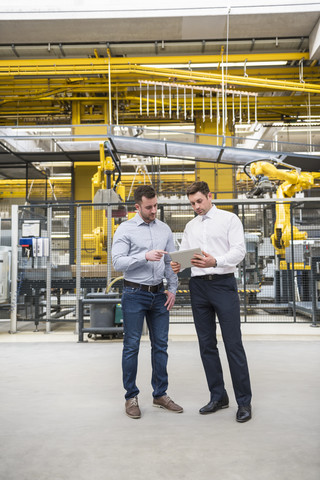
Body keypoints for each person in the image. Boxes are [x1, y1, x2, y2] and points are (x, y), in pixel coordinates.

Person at [171, 181, 252, 423]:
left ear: (209, 196)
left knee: (233, 344)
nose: (196, 206)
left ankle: (244, 402)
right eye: (192, 203)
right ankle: (218, 396)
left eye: (199, 201)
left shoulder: (229, 220)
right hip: (198, 287)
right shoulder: (190, 226)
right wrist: (178, 264)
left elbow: (239, 252)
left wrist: (214, 261)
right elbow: (185, 255)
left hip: (223, 284)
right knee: (206, 345)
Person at [112, 185, 183, 419]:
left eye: (155, 206)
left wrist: (172, 288)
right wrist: (144, 255)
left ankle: (160, 394)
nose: (154, 211)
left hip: (159, 294)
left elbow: (171, 262)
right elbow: (118, 263)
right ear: (137, 206)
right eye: (149, 207)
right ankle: (130, 397)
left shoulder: (164, 229)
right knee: (131, 346)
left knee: (161, 346)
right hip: (134, 294)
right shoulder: (125, 229)